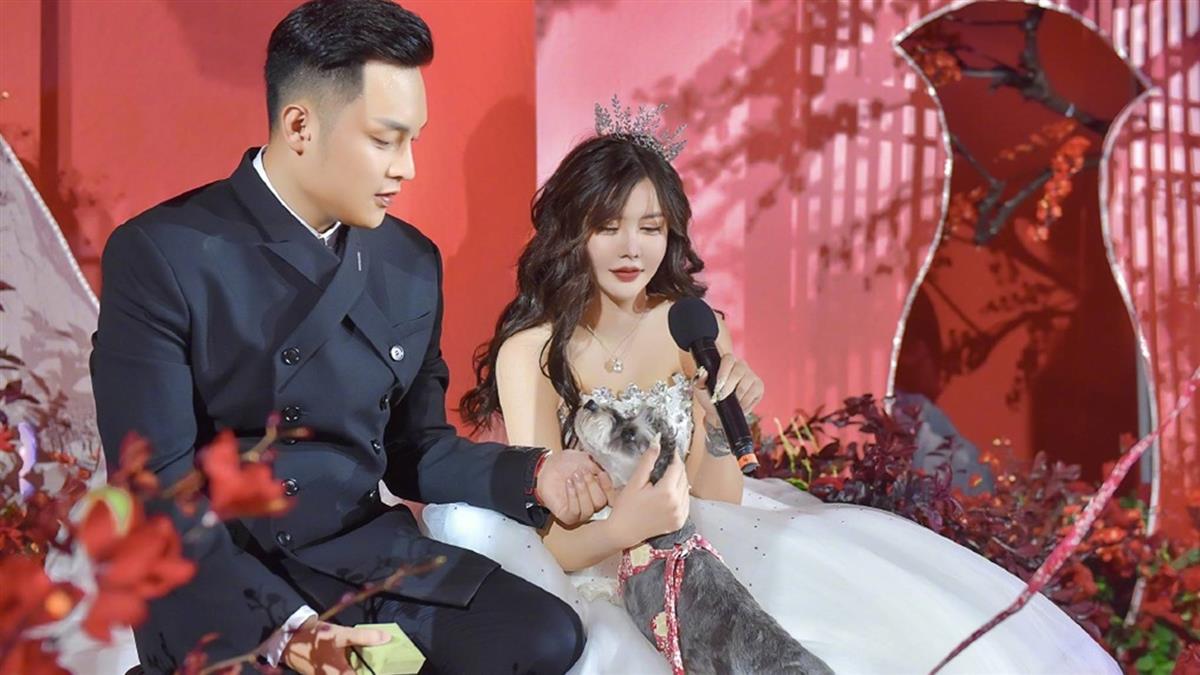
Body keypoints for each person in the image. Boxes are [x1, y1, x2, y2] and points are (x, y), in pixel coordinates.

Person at [422, 100, 1122, 674]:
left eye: (650, 228)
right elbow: (543, 534)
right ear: (571, 233)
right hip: (588, 568)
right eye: (608, 227)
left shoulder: (693, 325)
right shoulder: (533, 350)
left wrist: (715, 424)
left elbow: (722, 498)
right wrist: (626, 528)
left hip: (715, 537)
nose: (632, 249)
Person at [89, 1, 604, 672]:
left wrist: (532, 473)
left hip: (363, 558)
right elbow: (154, 489)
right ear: (299, 126)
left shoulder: (410, 261)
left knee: (543, 636)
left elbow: (414, 448)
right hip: (221, 570)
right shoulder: (163, 253)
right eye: (385, 140)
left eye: (414, 140)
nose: (407, 167)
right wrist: (289, 631)